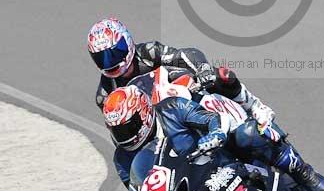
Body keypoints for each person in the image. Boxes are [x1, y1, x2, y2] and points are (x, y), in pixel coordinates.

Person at [102, 81, 324, 191]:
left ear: (144, 113)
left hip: (220, 160)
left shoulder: (171, 107)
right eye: (118, 129)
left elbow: (211, 118)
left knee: (248, 134)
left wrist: (216, 133)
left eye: (128, 126)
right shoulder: (122, 158)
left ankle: (306, 175)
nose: (125, 134)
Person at [87, 17, 274, 123]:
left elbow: (184, 55)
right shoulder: (105, 94)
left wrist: (203, 70)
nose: (110, 62)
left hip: (185, 97)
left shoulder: (149, 52)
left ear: (127, 42)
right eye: (101, 57)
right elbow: (119, 131)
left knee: (222, 75)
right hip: (156, 124)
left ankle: (253, 105)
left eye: (114, 52)